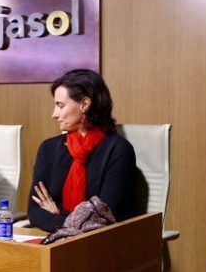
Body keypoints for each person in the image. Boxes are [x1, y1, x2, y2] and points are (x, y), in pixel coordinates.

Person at [29, 69, 137, 232]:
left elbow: (103, 218)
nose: (54, 114)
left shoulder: (118, 150)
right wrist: (72, 222)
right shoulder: (48, 149)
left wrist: (57, 215)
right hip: (55, 239)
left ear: (84, 104)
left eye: (60, 105)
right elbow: (35, 211)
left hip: (101, 245)